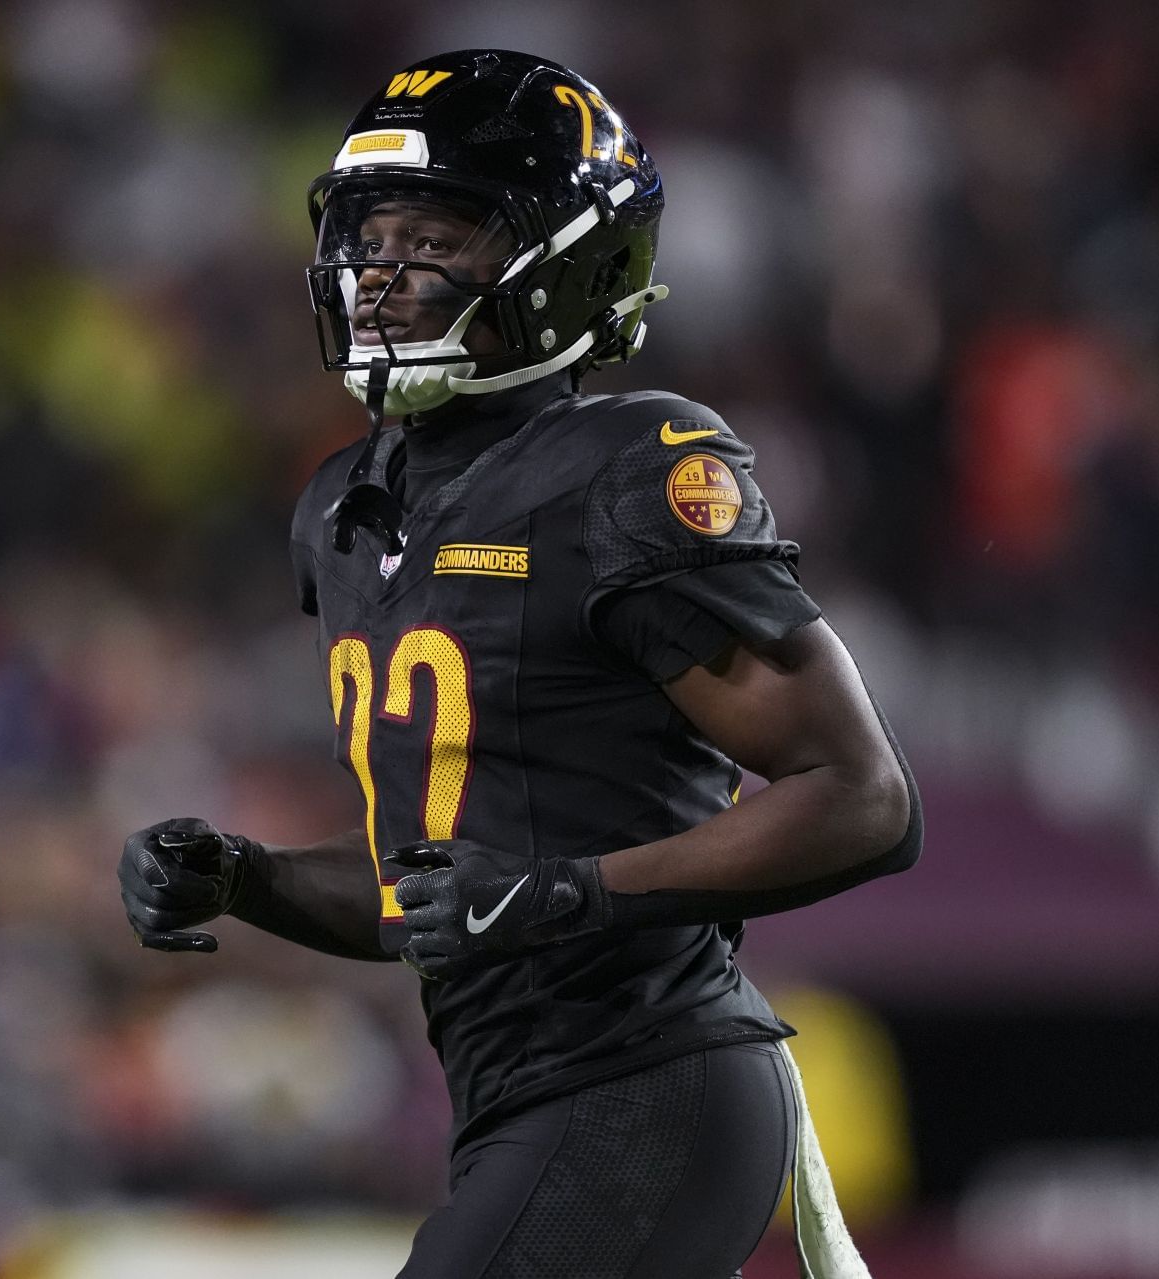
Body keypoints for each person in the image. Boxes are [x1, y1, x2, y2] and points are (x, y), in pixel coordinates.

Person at [117, 49, 921, 1279]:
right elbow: (432, 877)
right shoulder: (348, 505)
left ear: (566, 264)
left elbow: (862, 800)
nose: (384, 274)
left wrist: (571, 893)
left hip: (647, 1077)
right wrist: (249, 878)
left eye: (438, 237)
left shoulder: (627, 468)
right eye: (371, 234)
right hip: (515, 1100)